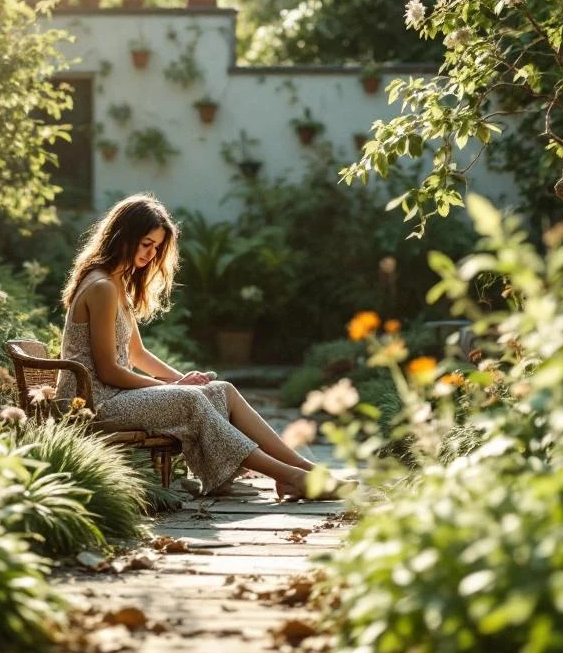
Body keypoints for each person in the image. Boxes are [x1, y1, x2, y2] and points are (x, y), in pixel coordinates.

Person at [56, 194, 349, 500]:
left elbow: (137, 354)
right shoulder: (102, 287)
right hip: (92, 402)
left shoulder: (117, 283)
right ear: (123, 236)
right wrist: (175, 388)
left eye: (156, 247)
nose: (151, 254)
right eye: (146, 244)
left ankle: (306, 469)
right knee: (192, 399)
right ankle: (292, 478)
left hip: (113, 395)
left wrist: (181, 380)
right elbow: (108, 371)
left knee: (222, 391)